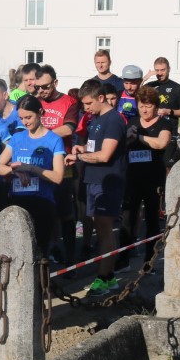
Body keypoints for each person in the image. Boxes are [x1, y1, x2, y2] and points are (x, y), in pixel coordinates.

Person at [66, 79, 128, 296]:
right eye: (83, 104)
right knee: (101, 229)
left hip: (106, 182)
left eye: (89, 103)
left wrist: (79, 156)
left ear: (101, 98)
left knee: (104, 229)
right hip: (93, 180)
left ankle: (104, 277)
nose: (86, 108)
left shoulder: (113, 120)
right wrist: (83, 148)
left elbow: (105, 155)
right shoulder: (97, 119)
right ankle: (109, 277)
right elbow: (96, 147)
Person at [0, 95, 65, 255]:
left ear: (40, 112)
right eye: (21, 118)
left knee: (40, 251)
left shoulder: (54, 140)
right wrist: (14, 171)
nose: (25, 122)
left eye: (29, 117)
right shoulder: (17, 138)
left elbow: (58, 177)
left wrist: (31, 168)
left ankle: (43, 279)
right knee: (17, 251)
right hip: (17, 201)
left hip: (42, 201)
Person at [27, 65, 80, 262]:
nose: (41, 91)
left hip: (62, 165)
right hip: (37, 163)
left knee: (66, 212)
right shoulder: (34, 101)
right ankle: (49, 250)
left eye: (46, 87)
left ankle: (70, 256)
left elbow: (69, 128)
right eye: (38, 87)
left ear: (55, 83)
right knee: (44, 211)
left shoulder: (69, 102)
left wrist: (41, 133)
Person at [123, 85, 175, 265]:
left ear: (155, 106)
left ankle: (149, 260)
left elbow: (161, 143)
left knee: (152, 220)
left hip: (153, 178)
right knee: (127, 218)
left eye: (148, 106)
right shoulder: (133, 122)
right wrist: (128, 139)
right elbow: (125, 144)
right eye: (141, 105)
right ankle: (123, 259)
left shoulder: (164, 124)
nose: (144, 110)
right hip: (132, 177)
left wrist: (139, 138)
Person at [144, 57, 180, 126]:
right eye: (157, 70)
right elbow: (135, 95)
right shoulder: (149, 86)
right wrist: (144, 78)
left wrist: (169, 112)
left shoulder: (177, 88)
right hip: (151, 129)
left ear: (169, 69)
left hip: (170, 130)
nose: (160, 73)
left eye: (163, 70)